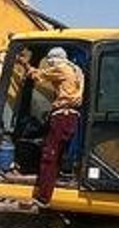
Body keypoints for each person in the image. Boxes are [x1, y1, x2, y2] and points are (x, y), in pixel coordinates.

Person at [19, 46, 84, 208]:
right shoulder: (76, 70)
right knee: (60, 153)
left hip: (62, 116)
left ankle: (43, 198)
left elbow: (38, 76)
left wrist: (25, 65)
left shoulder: (61, 69)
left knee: (49, 156)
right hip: (71, 116)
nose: (50, 65)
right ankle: (60, 178)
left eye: (50, 61)